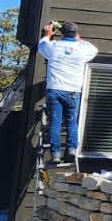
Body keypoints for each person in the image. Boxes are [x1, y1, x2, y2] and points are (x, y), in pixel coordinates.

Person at [38, 21, 99, 166]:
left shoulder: (54, 46)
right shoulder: (82, 49)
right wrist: (78, 38)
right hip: (73, 91)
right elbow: (94, 49)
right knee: (71, 121)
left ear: (62, 33)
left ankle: (55, 154)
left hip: (55, 89)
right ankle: (71, 149)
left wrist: (47, 34)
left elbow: (41, 46)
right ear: (76, 33)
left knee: (55, 122)